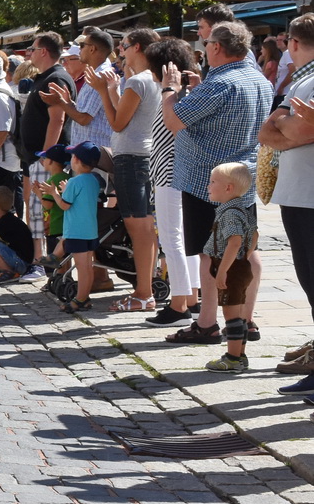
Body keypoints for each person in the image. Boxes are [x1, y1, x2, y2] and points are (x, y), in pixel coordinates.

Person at [163, 21, 273, 344]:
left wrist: (170, 89)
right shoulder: (258, 80)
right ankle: (246, 320)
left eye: (206, 42)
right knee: (244, 249)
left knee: (210, 254)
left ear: (216, 48)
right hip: (243, 177)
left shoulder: (219, 83)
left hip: (206, 179)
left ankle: (207, 323)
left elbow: (173, 121)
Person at [258, 14, 314, 395]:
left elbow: (298, 131)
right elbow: (269, 132)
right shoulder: (301, 79)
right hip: (299, 193)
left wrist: (279, 126)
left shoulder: (309, 81)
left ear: (291, 43)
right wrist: (278, 127)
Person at [92, 27, 161, 311]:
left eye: (124, 45)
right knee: (145, 227)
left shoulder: (138, 82)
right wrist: (111, 90)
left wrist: (105, 92)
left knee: (139, 227)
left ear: (138, 48)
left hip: (132, 156)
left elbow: (118, 123)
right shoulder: (152, 79)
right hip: (144, 155)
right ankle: (145, 289)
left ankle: (143, 293)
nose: (120, 51)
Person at [144, 38, 202, 326]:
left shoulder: (175, 95)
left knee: (171, 239)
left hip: (171, 173)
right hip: (175, 172)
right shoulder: (186, 92)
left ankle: (179, 304)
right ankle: (189, 296)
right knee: (181, 238)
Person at [18, 34, 74, 259]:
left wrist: (46, 154)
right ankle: (39, 260)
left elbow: (57, 119)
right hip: (38, 158)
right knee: (36, 212)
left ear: (43, 51)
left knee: (45, 212)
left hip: (48, 159)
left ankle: (47, 263)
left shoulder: (56, 78)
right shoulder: (45, 77)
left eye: (32, 48)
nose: (29, 53)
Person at [201, 162, 258, 372]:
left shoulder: (229, 213)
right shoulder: (242, 208)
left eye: (213, 181)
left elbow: (234, 240)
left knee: (231, 315)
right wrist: (246, 256)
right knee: (240, 314)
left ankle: (232, 358)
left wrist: (224, 270)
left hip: (231, 269)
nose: (208, 185)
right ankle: (240, 355)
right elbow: (254, 235)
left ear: (228, 188)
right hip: (240, 266)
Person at [45, 142, 103, 314]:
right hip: (90, 231)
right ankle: (84, 297)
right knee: (87, 267)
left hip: (76, 231)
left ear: (76, 160)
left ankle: (80, 299)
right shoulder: (94, 179)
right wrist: (65, 189)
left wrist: (54, 192)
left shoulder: (74, 181)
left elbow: (64, 206)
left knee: (82, 268)